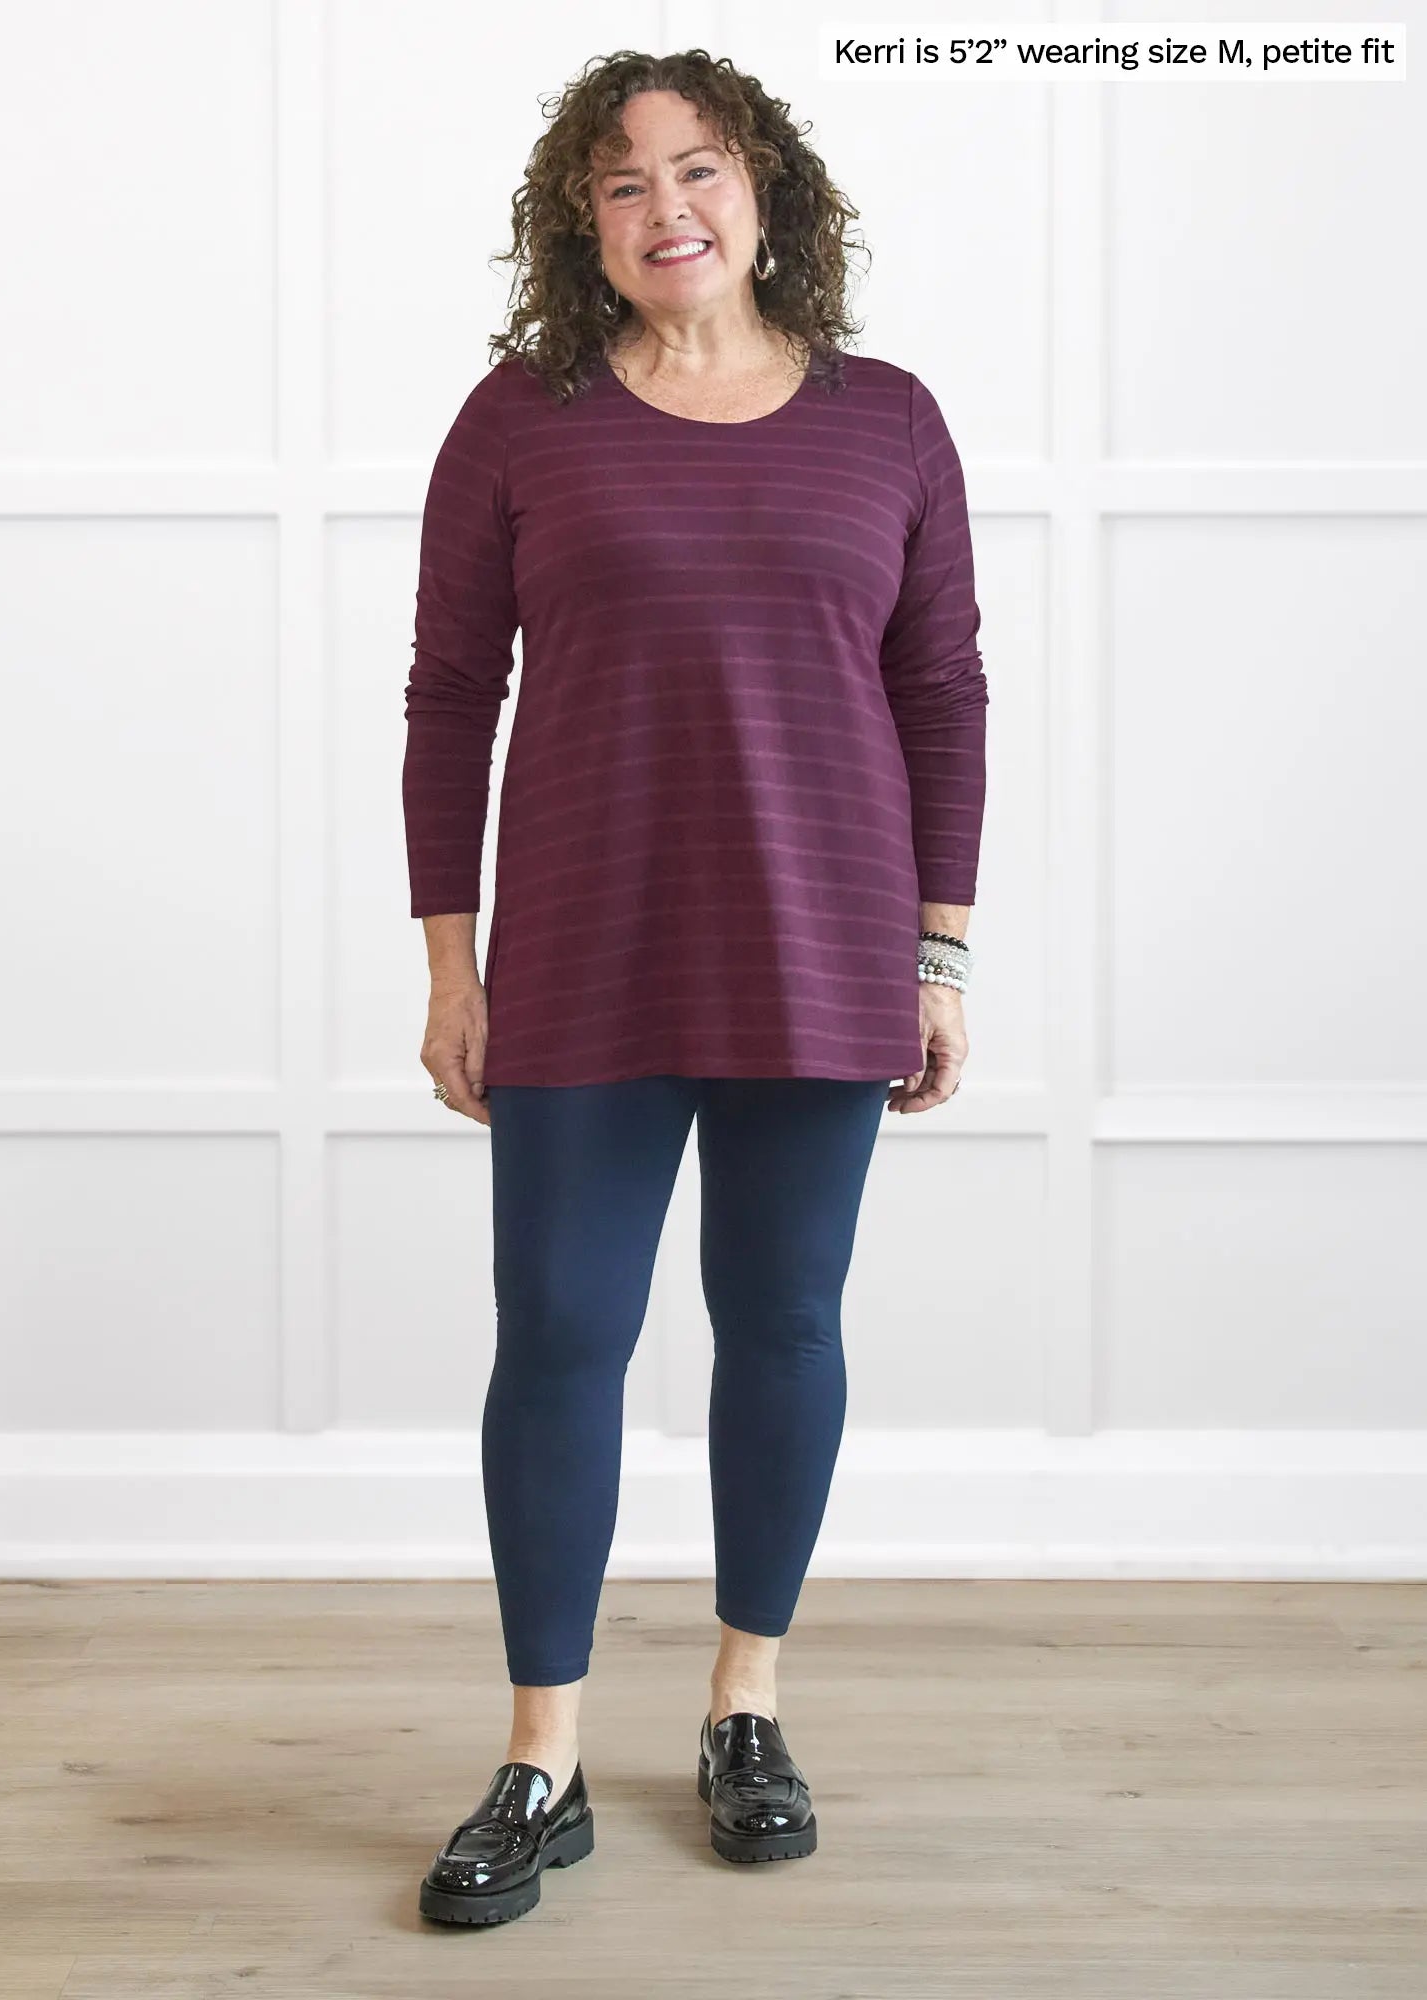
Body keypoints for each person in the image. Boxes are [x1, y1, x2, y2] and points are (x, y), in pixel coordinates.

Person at [406, 49, 987, 1927]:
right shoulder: (522, 421)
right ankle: (543, 1753)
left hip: (824, 948)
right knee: (562, 1337)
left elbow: (943, 696)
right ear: (580, 226)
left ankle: (746, 1703)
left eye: (702, 168)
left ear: (766, 193)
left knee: (783, 1325)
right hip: (582, 948)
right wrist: (452, 964)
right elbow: (445, 698)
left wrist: (942, 952)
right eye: (625, 182)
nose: (669, 207)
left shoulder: (889, 421)